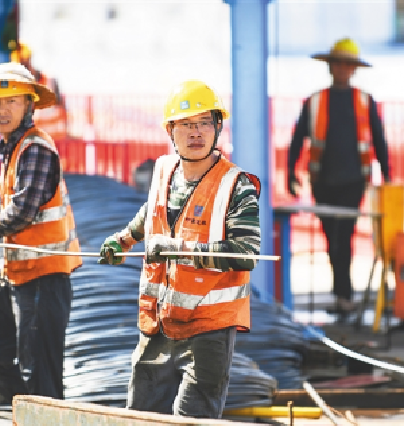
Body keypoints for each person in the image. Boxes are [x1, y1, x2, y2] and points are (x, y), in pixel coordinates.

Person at [98, 80, 261, 419]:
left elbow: (245, 252)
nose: (196, 132)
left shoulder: (236, 185)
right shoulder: (163, 171)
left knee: (194, 417)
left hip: (208, 327)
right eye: (186, 124)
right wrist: (125, 239)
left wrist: (177, 249)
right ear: (171, 131)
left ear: (218, 127)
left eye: (204, 122)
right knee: (141, 415)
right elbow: (152, 212)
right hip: (158, 322)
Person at [0, 62, 82, 405]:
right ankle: (28, 409)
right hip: (16, 275)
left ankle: (38, 411)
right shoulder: (14, 148)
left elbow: (24, 210)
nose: (2, 110)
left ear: (29, 105)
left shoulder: (36, 148)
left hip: (44, 278)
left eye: (11, 101)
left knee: (41, 376)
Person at [287, 37, 391, 316]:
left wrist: (388, 175)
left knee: (342, 236)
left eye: (347, 65)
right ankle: (341, 295)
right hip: (323, 182)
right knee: (331, 238)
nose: (342, 69)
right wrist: (290, 173)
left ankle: (344, 296)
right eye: (338, 64)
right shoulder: (316, 101)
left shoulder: (364, 101)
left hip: (353, 182)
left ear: (353, 69)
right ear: (331, 67)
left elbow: (379, 141)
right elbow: (297, 139)